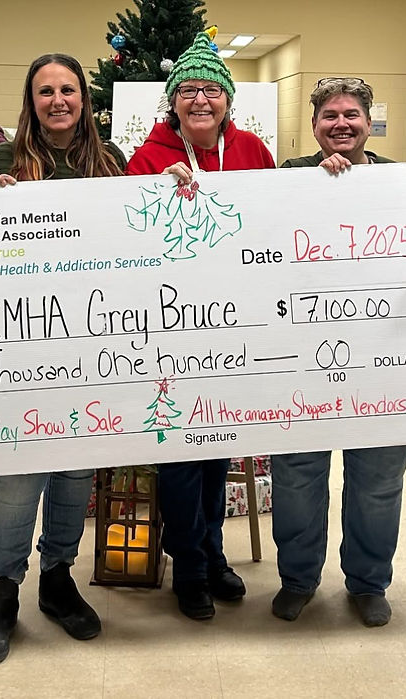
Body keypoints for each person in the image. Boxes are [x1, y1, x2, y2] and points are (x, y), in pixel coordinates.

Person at [0, 53, 125, 666]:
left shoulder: (109, 164)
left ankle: (57, 578)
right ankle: (2, 588)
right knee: (17, 472)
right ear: (30, 100)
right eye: (45, 91)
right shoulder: (3, 162)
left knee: (74, 471)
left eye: (68, 90)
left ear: (84, 99)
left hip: (94, 344)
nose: (58, 100)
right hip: (22, 346)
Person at [125, 32, 275, 621]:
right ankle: (188, 561)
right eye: (188, 91)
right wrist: (164, 197)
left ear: (227, 101)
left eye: (212, 90)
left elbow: (274, 220)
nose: (200, 101)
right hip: (172, 329)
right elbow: (129, 232)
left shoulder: (252, 150)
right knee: (181, 450)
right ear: (173, 101)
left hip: (235, 325)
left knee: (220, 445)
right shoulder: (149, 157)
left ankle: (212, 549)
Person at [270, 77, 406, 626]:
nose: (341, 125)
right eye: (329, 115)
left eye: (351, 115)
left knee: (377, 481)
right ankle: (298, 578)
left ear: (368, 121)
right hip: (301, 357)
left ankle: (368, 582)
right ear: (314, 125)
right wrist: (317, 184)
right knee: (297, 475)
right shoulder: (286, 177)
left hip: (381, 356)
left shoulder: (399, 183)